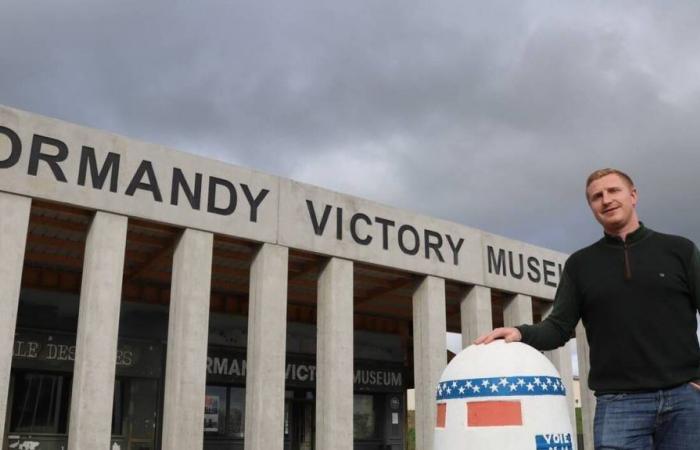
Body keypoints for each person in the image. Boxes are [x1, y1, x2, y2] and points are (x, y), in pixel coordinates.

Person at [475, 168, 700, 450]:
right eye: (596, 197)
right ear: (592, 207)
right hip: (619, 404)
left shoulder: (679, 250)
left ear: (633, 195)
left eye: (613, 191)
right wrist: (519, 332)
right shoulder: (580, 265)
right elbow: (557, 328)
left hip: (685, 399)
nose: (606, 200)